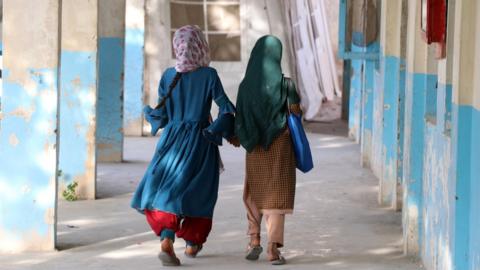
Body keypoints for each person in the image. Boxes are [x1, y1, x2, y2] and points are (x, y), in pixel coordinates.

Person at [131, 25, 236, 266]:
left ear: (177, 47)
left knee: (168, 188)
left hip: (170, 141)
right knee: (200, 190)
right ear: (200, 46)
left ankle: (166, 239)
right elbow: (226, 107)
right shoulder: (209, 75)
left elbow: (163, 115)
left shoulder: (168, 75)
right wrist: (220, 130)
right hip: (200, 140)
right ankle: (192, 242)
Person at [234, 35, 302, 265]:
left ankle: (254, 239)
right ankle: (273, 249)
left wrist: (243, 137)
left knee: (254, 191)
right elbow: (296, 111)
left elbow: (239, 117)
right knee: (277, 195)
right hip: (280, 146)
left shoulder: (245, 87)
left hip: (255, 147)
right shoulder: (287, 85)